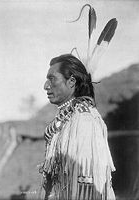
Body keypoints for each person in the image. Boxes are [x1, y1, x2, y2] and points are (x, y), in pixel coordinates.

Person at [39, 54, 116, 200]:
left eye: (52, 78)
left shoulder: (84, 120)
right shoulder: (67, 119)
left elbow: (87, 182)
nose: (46, 86)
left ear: (71, 81)